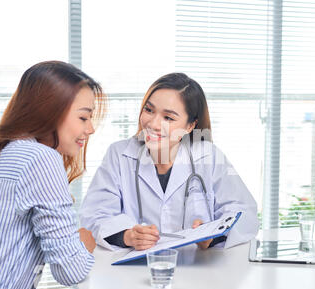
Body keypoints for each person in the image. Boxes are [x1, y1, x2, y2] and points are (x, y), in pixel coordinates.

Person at [0, 61, 106, 289]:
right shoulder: (40, 158)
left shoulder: (8, 151)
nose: (91, 129)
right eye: (83, 118)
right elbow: (69, 271)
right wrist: (84, 243)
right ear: (50, 113)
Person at [80, 72, 259, 252]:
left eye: (168, 118)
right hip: (135, 271)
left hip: (200, 271)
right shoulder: (119, 154)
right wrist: (127, 235)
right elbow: (94, 216)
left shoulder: (209, 157)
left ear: (190, 126)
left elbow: (245, 214)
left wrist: (213, 235)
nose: (154, 124)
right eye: (149, 110)